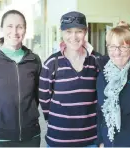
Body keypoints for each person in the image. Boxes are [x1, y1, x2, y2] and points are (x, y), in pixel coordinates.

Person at [0, 9, 42, 147]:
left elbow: (36, 97)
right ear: (1, 29)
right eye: (9, 26)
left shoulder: (34, 60)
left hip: (30, 137)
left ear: (25, 30)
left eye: (19, 27)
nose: (14, 32)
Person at [39, 11, 101, 147]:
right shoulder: (51, 63)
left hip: (90, 140)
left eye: (78, 31)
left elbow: (101, 98)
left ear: (85, 32)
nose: (73, 36)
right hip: (58, 140)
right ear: (62, 32)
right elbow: (44, 100)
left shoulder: (97, 61)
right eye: (68, 31)